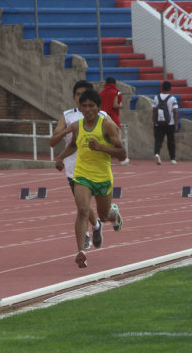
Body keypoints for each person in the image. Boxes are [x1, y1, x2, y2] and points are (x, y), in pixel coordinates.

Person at [55, 89, 126, 268]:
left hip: (102, 177)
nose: (87, 109)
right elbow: (73, 144)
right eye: (84, 106)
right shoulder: (77, 126)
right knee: (83, 210)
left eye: (91, 106)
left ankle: (114, 214)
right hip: (82, 175)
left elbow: (122, 152)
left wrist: (101, 147)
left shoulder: (106, 125)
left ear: (98, 107)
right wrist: (61, 157)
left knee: (103, 215)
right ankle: (81, 252)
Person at [49, 80, 105, 250]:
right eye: (78, 95)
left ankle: (98, 224)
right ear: (74, 97)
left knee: (104, 211)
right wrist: (65, 131)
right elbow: (54, 139)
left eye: (85, 94)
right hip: (75, 169)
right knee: (83, 206)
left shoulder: (101, 115)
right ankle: (87, 233)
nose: (81, 98)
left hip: (98, 169)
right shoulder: (67, 116)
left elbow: (114, 137)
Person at [99, 77, 129, 165]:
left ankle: (103, 157)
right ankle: (121, 159)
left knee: (103, 138)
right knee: (117, 137)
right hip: (112, 117)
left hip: (102, 117)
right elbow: (115, 105)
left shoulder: (101, 92)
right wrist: (121, 106)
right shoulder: (116, 92)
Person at [152, 81, 179, 165]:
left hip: (158, 123)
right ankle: (172, 158)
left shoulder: (156, 97)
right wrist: (175, 123)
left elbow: (154, 110)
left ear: (162, 88)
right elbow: (175, 111)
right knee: (171, 141)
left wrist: (154, 121)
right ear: (170, 88)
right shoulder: (172, 98)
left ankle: (157, 154)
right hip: (169, 123)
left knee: (158, 140)